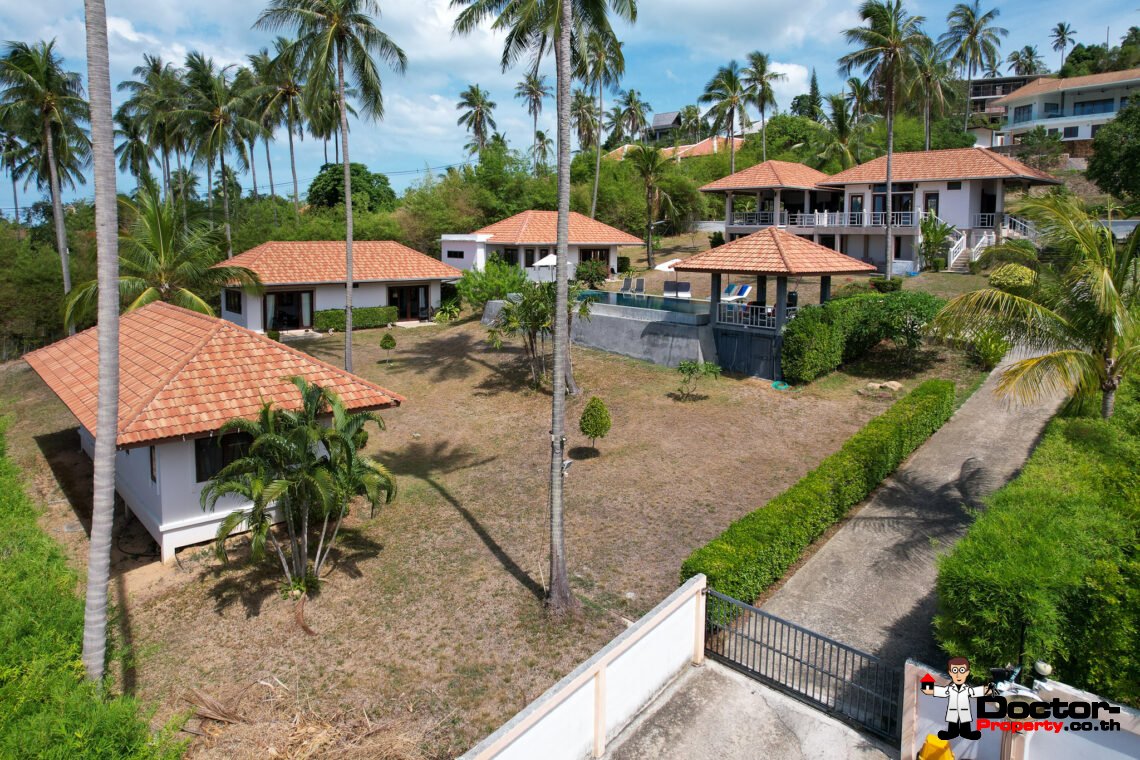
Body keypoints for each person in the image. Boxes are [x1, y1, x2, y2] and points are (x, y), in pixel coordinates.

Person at [921, 656, 991, 740]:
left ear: (967, 672)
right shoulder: (950, 689)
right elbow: (938, 691)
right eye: (955, 671)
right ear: (950, 673)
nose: (958, 675)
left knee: (965, 724)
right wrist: (927, 687)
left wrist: (989, 689)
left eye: (961, 671)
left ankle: (966, 733)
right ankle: (951, 733)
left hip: (964, 711)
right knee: (953, 724)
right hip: (953, 711)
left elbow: (977, 691)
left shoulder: (967, 689)